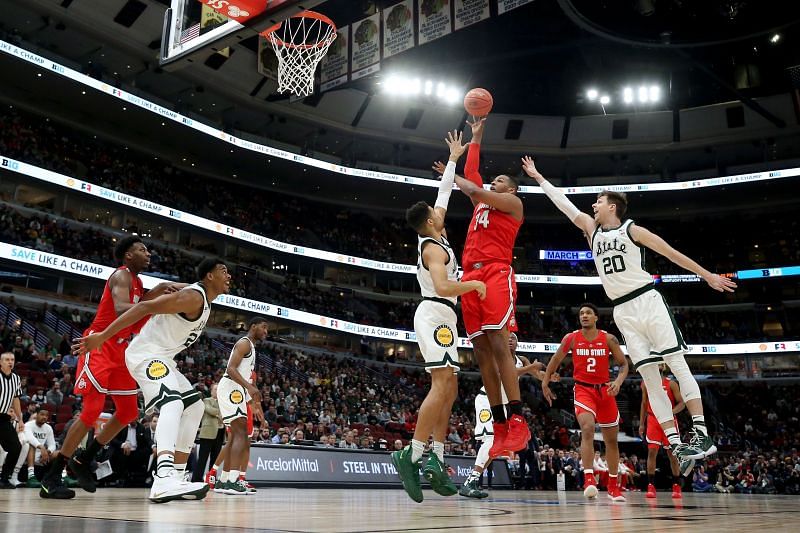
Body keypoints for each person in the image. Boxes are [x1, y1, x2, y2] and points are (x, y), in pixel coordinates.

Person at [523, 156, 736, 472]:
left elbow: (670, 252)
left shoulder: (631, 229)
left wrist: (706, 275)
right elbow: (563, 204)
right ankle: (677, 444)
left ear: (612, 207)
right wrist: (539, 177)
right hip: (623, 311)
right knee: (650, 378)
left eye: (599, 201)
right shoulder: (590, 229)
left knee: (675, 363)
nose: (593, 205)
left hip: (647, 301)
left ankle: (702, 434)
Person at [75, 258, 231, 503]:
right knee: (173, 404)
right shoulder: (193, 297)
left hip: (163, 359)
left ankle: (178, 476)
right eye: (223, 270)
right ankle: (163, 478)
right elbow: (143, 308)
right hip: (145, 356)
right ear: (209, 276)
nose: (228, 275)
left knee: (195, 406)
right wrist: (103, 336)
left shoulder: (202, 300)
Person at [40, 236, 179, 499]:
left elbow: (152, 302)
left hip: (122, 350)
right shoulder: (122, 276)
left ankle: (84, 459)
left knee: (128, 413)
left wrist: (196, 287)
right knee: (91, 411)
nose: (148, 253)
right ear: (128, 255)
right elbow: (121, 309)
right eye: (142, 249)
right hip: (100, 344)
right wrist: (156, 303)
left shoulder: (138, 283)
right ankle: (52, 476)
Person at [392, 130, 486, 504]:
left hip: (446, 319)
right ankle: (411, 454)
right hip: (434, 313)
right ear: (430, 223)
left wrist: (453, 158)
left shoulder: (437, 229)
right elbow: (445, 287)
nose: (440, 211)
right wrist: (474, 285)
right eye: (435, 213)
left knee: (451, 387)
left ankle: (437, 457)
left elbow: (444, 193)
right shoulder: (432, 249)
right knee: (442, 383)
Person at [451, 117, 527, 459]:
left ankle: (518, 419)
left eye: (500, 180)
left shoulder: (513, 204)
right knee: (480, 351)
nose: (492, 181)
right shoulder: (482, 203)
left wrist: (449, 174)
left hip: (496, 273)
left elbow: (472, 185)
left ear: (510, 189)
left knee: (499, 344)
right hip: (470, 276)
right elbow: (473, 173)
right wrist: (476, 137)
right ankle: (499, 427)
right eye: (492, 179)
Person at [542, 303, 629, 502]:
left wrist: (618, 381)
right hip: (583, 390)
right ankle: (589, 479)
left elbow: (624, 364)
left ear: (596, 317)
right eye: (581, 313)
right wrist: (545, 383)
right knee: (587, 428)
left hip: (606, 391)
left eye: (589, 313)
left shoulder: (608, 339)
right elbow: (555, 360)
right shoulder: (571, 338)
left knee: (611, 441)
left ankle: (613, 488)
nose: (584, 316)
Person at [461, 333, 554, 498]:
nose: (510, 340)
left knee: (496, 445)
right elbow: (508, 373)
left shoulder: (522, 359)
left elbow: (537, 375)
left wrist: (549, 378)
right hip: (486, 401)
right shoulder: (497, 357)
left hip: (501, 406)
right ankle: (471, 481)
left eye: (513, 338)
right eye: (507, 338)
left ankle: (473, 480)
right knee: (490, 440)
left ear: (517, 343)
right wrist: (530, 368)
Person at [215, 317, 268, 495]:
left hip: (237, 390)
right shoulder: (244, 343)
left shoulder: (251, 348)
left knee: (237, 436)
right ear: (253, 327)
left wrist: (255, 407)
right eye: (263, 328)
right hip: (231, 386)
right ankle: (232, 481)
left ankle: (223, 480)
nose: (266, 332)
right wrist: (250, 387)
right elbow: (231, 369)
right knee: (240, 434)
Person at [639, 364, 685, 499]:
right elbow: (643, 403)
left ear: (663, 367)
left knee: (672, 453)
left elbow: (682, 403)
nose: (657, 366)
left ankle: (676, 485)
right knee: (652, 451)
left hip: (669, 420)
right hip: (653, 419)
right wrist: (642, 423)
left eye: (659, 363)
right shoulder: (645, 383)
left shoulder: (671, 384)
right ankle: (651, 486)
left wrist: (670, 412)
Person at [15, 408, 57, 487]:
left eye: (46, 415)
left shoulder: (48, 428)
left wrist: (48, 452)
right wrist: (42, 447)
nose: (44, 417)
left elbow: (52, 445)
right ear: (37, 415)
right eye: (42, 414)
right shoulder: (28, 425)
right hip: (28, 456)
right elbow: (30, 438)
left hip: (42, 456)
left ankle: (62, 477)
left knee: (59, 453)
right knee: (31, 445)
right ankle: (31, 476)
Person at [0, 352, 23, 489]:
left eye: (12, 359)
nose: (10, 362)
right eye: (7, 359)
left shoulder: (16, 378)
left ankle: (4, 478)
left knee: (16, 447)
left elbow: (16, 399)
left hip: (4, 419)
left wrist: (20, 419)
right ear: (1, 362)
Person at [192, 383, 224, 483]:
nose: (217, 391)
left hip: (220, 432)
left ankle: (211, 480)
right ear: (211, 391)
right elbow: (211, 411)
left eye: (219, 389)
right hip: (207, 432)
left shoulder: (223, 402)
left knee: (215, 459)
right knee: (203, 458)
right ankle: (196, 479)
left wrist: (219, 413)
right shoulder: (206, 400)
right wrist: (220, 412)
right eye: (215, 389)